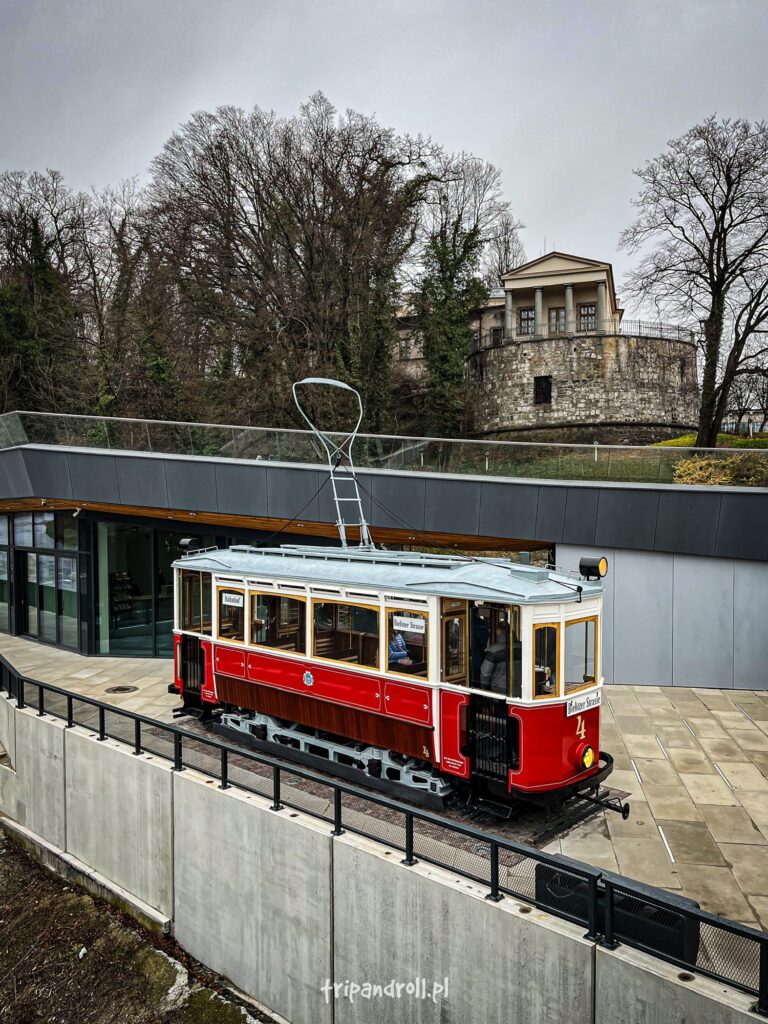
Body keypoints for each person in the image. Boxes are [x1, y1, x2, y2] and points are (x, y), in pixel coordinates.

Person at [480, 622, 509, 694]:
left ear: (498, 631)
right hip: (519, 688)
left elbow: (485, 674)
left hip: (499, 689)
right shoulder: (521, 646)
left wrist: (484, 688)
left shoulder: (493, 650)